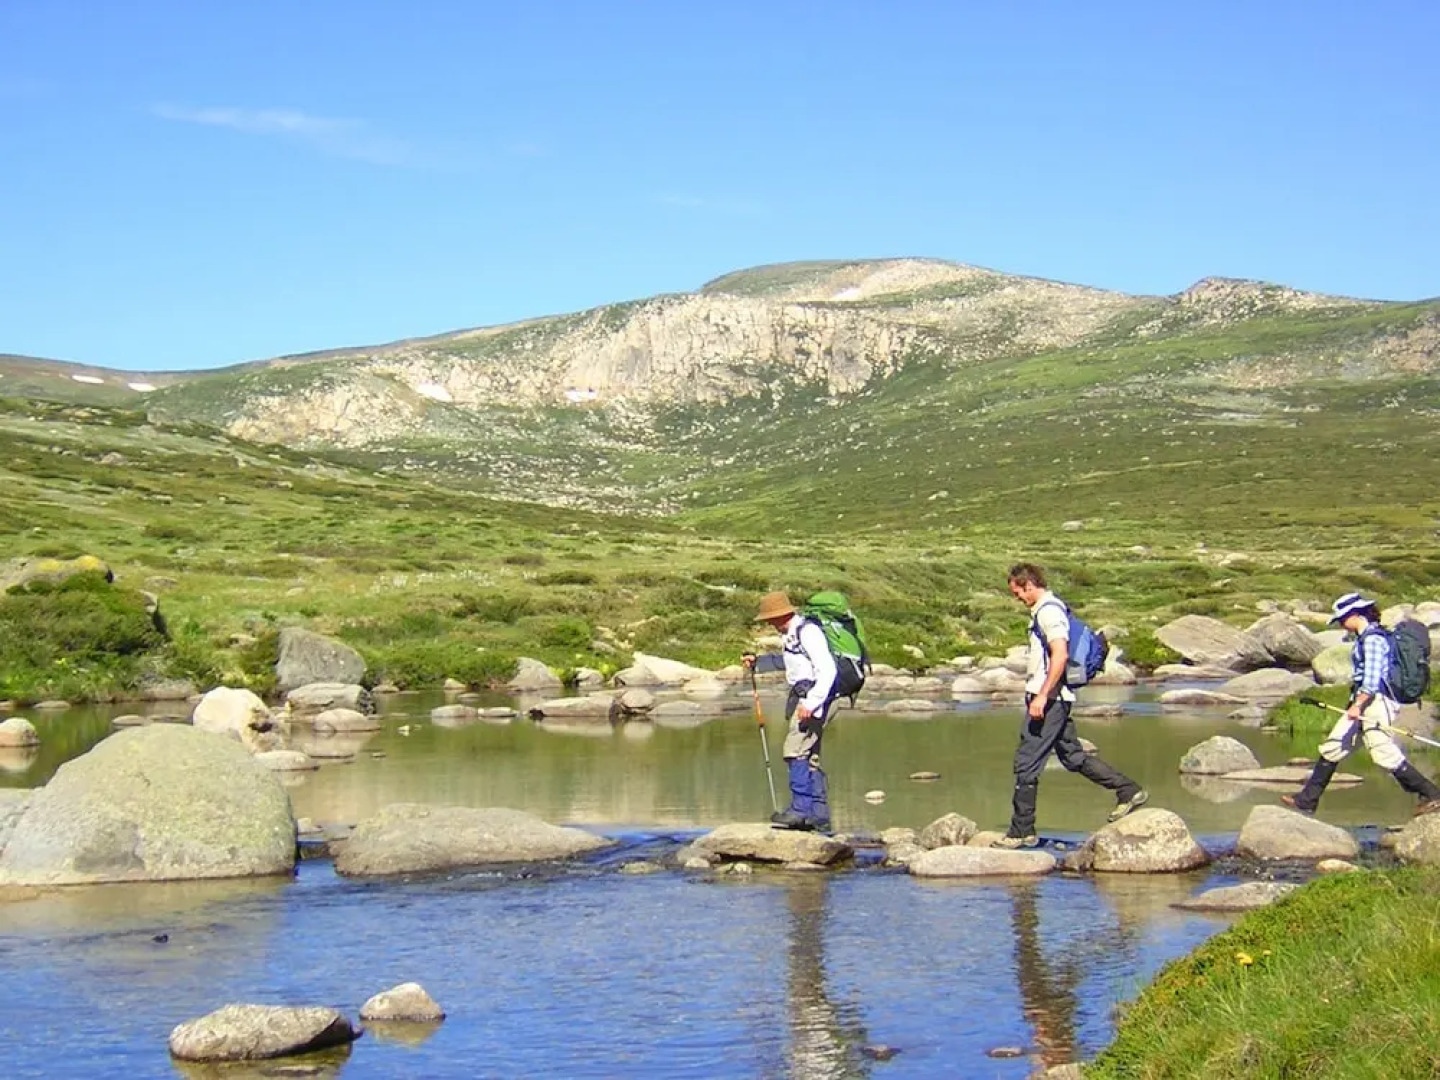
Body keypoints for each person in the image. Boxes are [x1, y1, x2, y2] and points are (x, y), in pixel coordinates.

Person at [994, 563, 1148, 849]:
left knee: (1026, 764)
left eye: (1017, 592)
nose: (1017, 598)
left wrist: (1042, 695)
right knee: (1073, 757)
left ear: (1029, 585)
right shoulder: (1051, 608)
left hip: (1049, 699)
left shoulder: (1049, 611)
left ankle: (1021, 832)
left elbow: (1061, 655)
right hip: (1056, 698)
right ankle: (1129, 791)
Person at [1282, 593, 1440, 816]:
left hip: (1376, 702)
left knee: (1382, 751)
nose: (1342, 625)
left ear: (1355, 615)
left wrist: (1359, 704)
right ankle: (1307, 800)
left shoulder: (1374, 639)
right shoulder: (1365, 638)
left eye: (1343, 619)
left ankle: (1431, 794)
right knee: (1333, 746)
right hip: (1363, 702)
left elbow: (1372, 678)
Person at [743, 591, 838, 831]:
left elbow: (828, 670)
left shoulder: (808, 632)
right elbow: (790, 662)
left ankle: (800, 811)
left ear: (781, 615)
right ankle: (818, 814)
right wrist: (759, 663)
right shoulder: (793, 634)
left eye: (770, 619)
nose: (769, 624)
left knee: (794, 751)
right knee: (809, 755)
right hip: (808, 698)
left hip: (814, 699)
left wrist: (811, 703)